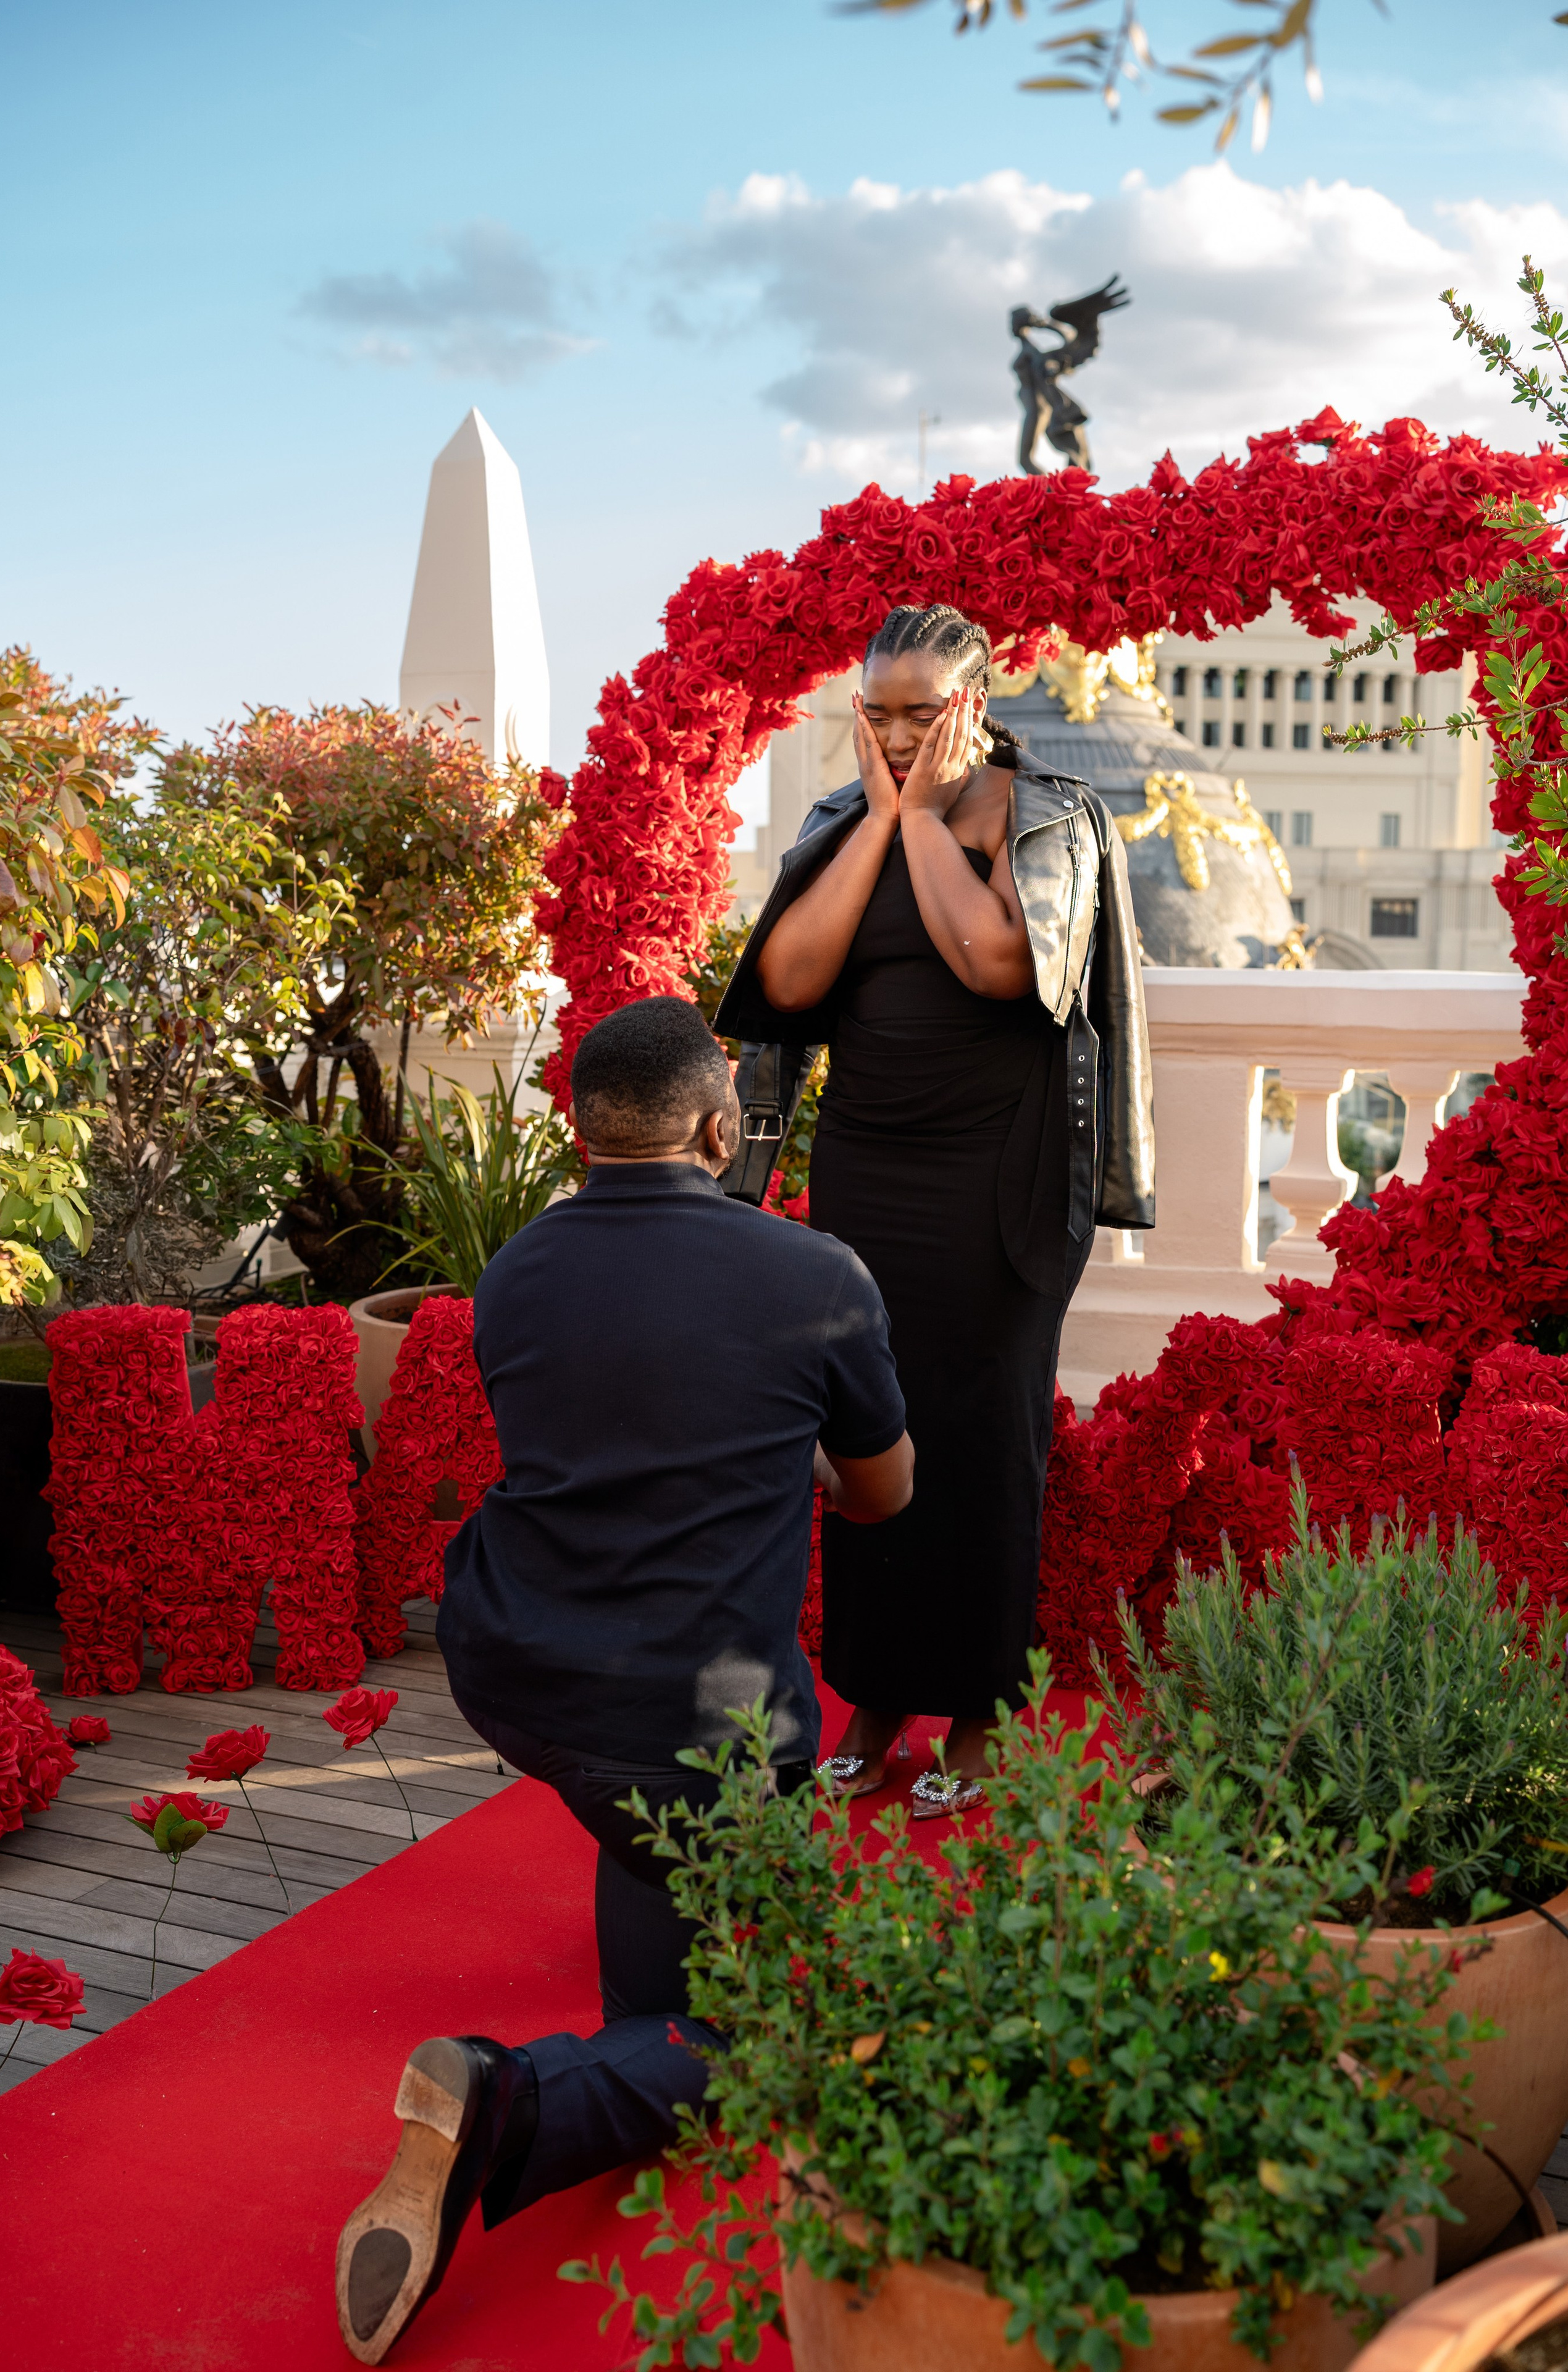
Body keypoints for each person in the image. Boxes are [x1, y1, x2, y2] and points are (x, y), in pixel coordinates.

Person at [334, 995, 912, 2366]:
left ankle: (631, 1986)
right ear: (720, 1128)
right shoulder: (814, 1274)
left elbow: (615, 1427)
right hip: (700, 1708)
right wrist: (807, 1456)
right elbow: (883, 1495)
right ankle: (501, 2099)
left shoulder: (519, 1271)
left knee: (647, 1839)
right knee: (756, 2041)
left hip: (516, 1662)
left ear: (579, 1129)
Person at [714, 604, 1153, 1820]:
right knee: (868, 1432)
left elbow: (994, 962)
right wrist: (877, 822)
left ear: (975, 698)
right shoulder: (837, 822)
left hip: (1002, 1184)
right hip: (870, 1176)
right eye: (880, 711)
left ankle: (972, 1714)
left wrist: (913, 816)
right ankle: (872, 1694)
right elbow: (791, 983)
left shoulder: (1042, 813)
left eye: (922, 711)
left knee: (977, 1442)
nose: (898, 734)